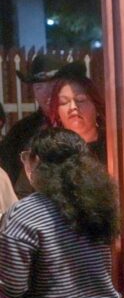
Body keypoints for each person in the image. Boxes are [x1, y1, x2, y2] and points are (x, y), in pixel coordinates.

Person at [0, 128, 121, 298]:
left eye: (26, 158)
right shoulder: (96, 202)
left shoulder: (24, 214)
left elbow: (10, 291)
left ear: (39, 163)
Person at [0, 55, 75, 197]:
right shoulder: (21, 131)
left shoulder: (81, 123)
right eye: (39, 88)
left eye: (53, 85)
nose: (47, 94)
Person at [47, 62, 106, 162]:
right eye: (64, 102)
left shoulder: (112, 144)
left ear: (96, 106)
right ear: (57, 112)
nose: (73, 107)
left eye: (81, 100)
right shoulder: (51, 150)